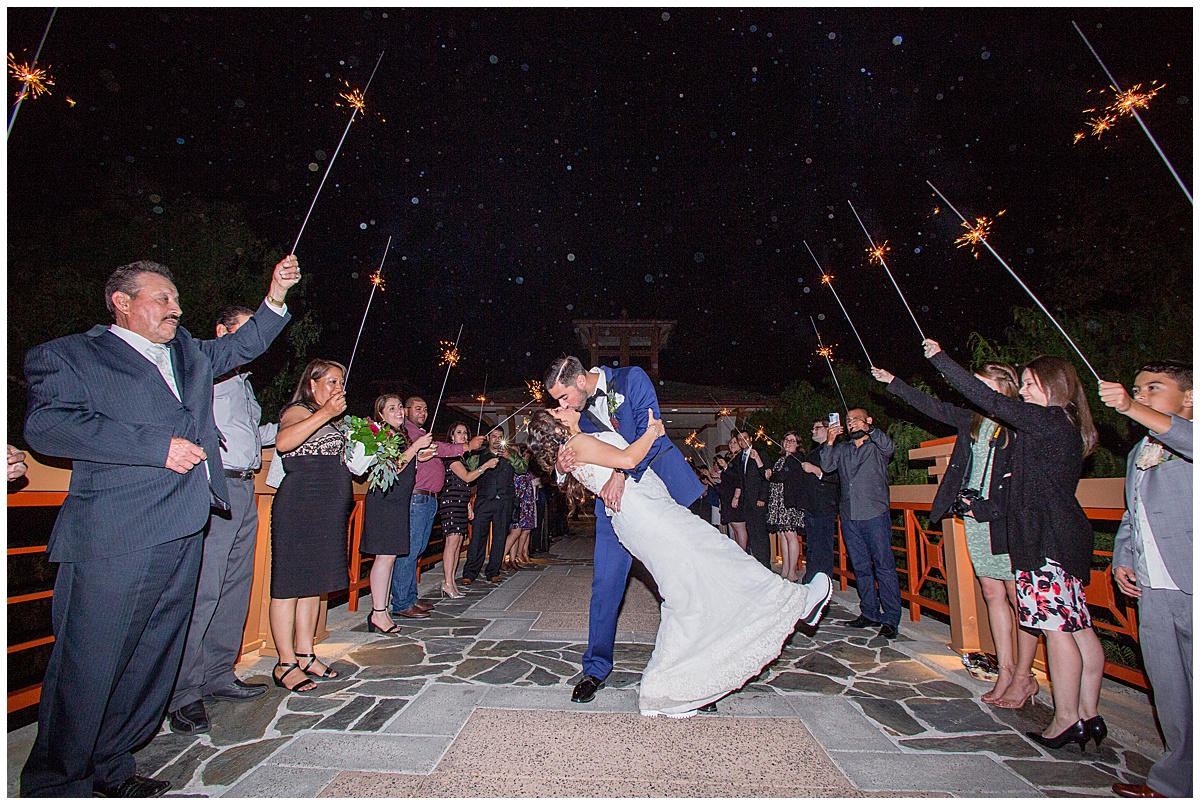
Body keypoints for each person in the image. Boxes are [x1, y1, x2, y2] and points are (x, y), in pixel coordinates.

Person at [20, 256, 296, 798]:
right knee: (90, 663)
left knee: (151, 659)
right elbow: (47, 426)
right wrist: (153, 448)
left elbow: (242, 346)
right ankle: (58, 782)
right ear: (122, 302)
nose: (177, 308)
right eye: (163, 298)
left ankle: (113, 767)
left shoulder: (189, 354)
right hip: (113, 536)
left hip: (184, 526)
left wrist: (276, 296)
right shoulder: (70, 355)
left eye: (177, 299)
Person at [528, 407, 833, 717]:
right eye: (555, 408)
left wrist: (563, 468)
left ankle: (680, 684)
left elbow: (606, 462)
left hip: (642, 510)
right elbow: (630, 459)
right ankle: (796, 601)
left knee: (689, 585)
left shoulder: (580, 438)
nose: (560, 403)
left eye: (560, 399)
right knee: (715, 555)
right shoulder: (577, 442)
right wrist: (653, 431)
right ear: (558, 426)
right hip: (645, 512)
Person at [923, 339, 1102, 750]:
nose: (1023, 392)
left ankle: (1066, 717)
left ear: (1054, 386)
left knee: (1057, 631)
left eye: (1029, 384)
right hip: (1065, 533)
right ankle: (1090, 714)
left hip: (1045, 538)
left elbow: (985, 397)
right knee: (1081, 629)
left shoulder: (1048, 421)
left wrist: (939, 358)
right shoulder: (1067, 425)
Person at [544, 356, 704, 705]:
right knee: (606, 583)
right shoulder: (577, 413)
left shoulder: (632, 380)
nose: (561, 405)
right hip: (614, 508)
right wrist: (559, 466)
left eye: (564, 397)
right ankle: (595, 668)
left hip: (661, 488)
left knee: (679, 581)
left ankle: (693, 665)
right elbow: (565, 451)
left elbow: (652, 428)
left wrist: (621, 473)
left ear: (582, 382)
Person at [872, 362, 1032, 707]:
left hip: (1006, 517)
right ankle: (1005, 670)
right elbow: (933, 408)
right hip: (975, 518)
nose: (974, 391)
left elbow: (1023, 482)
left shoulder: (1020, 422)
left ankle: (1024, 674)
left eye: (982, 385)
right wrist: (894, 382)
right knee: (992, 593)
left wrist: (987, 508)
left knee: (1019, 599)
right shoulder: (974, 421)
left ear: (1004, 386)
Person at [166, 305, 284, 737]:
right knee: (205, 588)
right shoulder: (203, 374)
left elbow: (252, 435)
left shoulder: (243, 385)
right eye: (245, 330)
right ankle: (182, 692)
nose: (253, 342)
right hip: (213, 487)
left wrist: (306, 421)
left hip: (247, 488)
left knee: (235, 585)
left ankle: (219, 674)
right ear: (223, 332)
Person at [1100, 362, 1192, 798]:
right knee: (1169, 690)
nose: (1143, 394)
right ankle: (1175, 783)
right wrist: (1122, 558)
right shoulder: (1140, 450)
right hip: (1154, 590)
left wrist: (1133, 406)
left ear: (1188, 398)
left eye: (1155, 388)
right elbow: (1130, 514)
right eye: (1138, 389)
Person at [269, 359, 355, 692]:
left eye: (341, 382)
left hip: (326, 509)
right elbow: (284, 443)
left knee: (312, 582)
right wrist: (325, 414)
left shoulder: (335, 422)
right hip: (300, 505)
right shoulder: (298, 410)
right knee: (289, 582)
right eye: (332, 381)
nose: (339, 388)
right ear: (313, 384)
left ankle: (306, 653)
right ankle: (284, 661)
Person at [390, 397, 485, 619]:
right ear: (405, 411)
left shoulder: (419, 433)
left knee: (418, 549)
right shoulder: (408, 433)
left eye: (425, 408)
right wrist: (466, 446)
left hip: (430, 498)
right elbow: (440, 448)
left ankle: (409, 597)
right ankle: (402, 601)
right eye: (417, 408)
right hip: (418, 497)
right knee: (411, 550)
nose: (423, 412)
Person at [822, 407, 902, 640]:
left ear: (868, 421)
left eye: (855, 419)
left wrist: (871, 430)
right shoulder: (843, 449)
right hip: (849, 516)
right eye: (848, 421)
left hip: (875, 514)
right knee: (861, 567)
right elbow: (827, 467)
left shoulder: (877, 447)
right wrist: (829, 440)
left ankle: (890, 618)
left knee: (884, 566)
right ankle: (869, 612)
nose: (851, 424)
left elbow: (890, 447)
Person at [360, 395, 433, 634]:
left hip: (399, 501)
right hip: (385, 501)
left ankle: (381, 610)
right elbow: (392, 466)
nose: (399, 411)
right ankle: (378, 613)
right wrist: (416, 448)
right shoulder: (380, 433)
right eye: (392, 408)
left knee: (390, 557)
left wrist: (419, 455)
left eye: (400, 406)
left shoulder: (399, 434)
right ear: (380, 414)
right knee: (384, 557)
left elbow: (404, 462)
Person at [439, 422, 499, 598]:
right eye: (459, 433)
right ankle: (447, 582)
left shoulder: (463, 459)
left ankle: (451, 582)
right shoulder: (452, 458)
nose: (463, 436)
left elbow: (463, 485)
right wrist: (485, 466)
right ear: (452, 436)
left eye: (465, 433)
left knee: (457, 543)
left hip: (460, 502)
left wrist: (467, 505)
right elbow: (467, 477)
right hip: (450, 503)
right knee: (451, 543)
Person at [460, 428, 528, 583]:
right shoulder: (479, 455)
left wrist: (511, 457)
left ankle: (493, 571)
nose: (497, 440)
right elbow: (467, 471)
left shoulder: (511, 453)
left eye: (500, 437)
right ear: (488, 438)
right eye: (494, 436)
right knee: (477, 537)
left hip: (505, 501)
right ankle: (470, 573)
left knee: (499, 537)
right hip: (484, 500)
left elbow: (523, 469)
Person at [799, 420, 840, 584]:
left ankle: (823, 583)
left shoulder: (835, 450)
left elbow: (836, 476)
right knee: (813, 546)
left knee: (823, 547)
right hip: (811, 505)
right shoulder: (814, 452)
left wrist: (815, 470)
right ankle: (812, 579)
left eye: (817, 428)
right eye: (813, 427)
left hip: (824, 505)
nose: (813, 431)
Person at [767, 431, 806, 582]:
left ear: (797, 444)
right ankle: (785, 569)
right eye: (786, 440)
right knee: (782, 535)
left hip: (789, 501)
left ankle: (792, 572)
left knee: (791, 535)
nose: (788, 443)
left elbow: (782, 476)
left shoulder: (796, 458)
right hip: (779, 501)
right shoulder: (782, 459)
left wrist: (771, 475)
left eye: (792, 441)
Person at [733, 430, 772, 567]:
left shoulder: (760, 453)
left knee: (761, 532)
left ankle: (765, 564)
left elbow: (766, 476)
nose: (742, 441)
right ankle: (757, 562)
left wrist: (762, 497)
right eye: (739, 439)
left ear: (750, 439)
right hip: (747, 501)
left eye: (744, 438)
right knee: (752, 532)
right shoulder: (740, 457)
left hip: (758, 499)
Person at [503, 445, 537, 569]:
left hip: (525, 502)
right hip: (517, 503)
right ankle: (500, 558)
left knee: (518, 531)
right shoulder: (512, 468)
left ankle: (513, 559)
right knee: (515, 531)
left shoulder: (522, 466)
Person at [720, 434, 748, 547]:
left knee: (739, 527)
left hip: (735, 497)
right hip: (728, 497)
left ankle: (743, 553)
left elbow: (739, 479)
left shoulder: (740, 458)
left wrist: (736, 497)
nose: (732, 445)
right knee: (734, 527)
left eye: (735, 442)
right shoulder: (731, 458)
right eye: (730, 443)